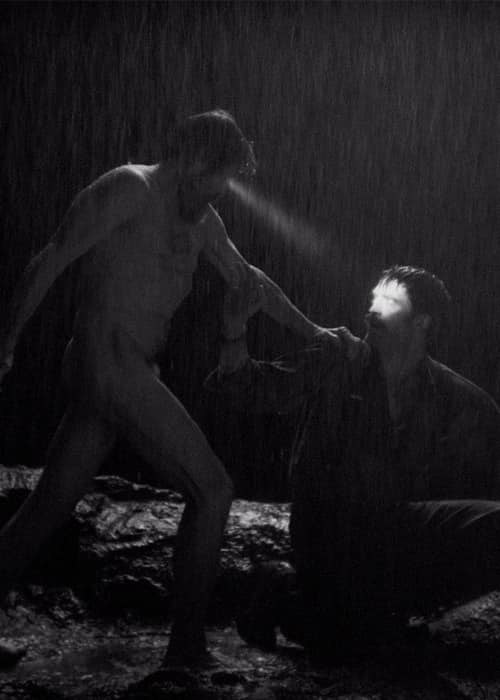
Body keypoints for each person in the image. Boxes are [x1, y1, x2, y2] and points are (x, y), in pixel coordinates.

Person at [0, 109, 330, 667]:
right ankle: (186, 652)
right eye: (219, 178)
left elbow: (249, 281)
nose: (223, 192)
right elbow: (51, 258)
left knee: (49, 504)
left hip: (129, 369)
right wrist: (6, 341)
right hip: (106, 360)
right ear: (194, 159)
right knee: (213, 491)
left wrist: (314, 332)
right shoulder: (129, 188)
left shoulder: (203, 221)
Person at [206, 264, 500, 657]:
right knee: (346, 645)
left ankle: (382, 612)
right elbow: (248, 390)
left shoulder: (449, 392)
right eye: (373, 298)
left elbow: (491, 436)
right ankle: (280, 586)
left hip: (393, 528)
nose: (372, 309)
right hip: (327, 532)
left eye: (390, 301)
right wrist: (234, 331)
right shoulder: (336, 358)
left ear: (422, 322)